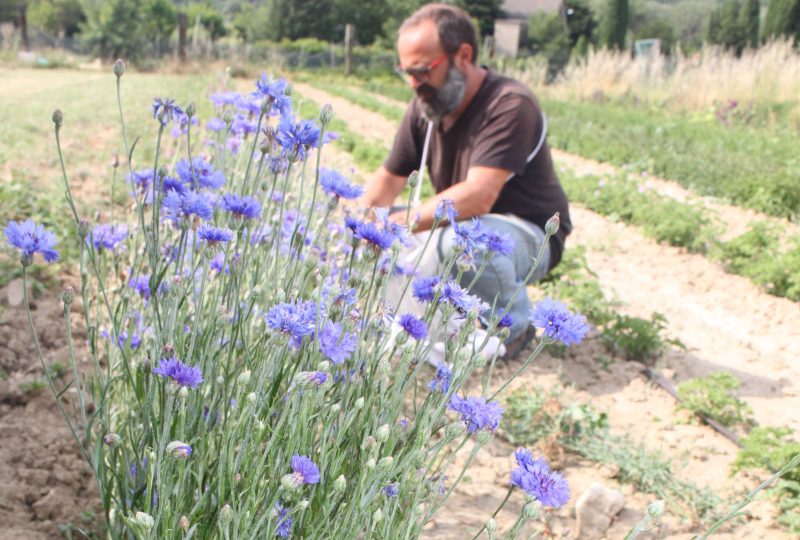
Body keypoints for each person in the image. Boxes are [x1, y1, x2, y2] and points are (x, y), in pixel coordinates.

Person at [361, 3, 572, 360]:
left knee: (456, 241)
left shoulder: (509, 104)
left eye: (423, 71)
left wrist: (394, 224)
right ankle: (434, 324)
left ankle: (511, 329)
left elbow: (478, 196)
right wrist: (361, 225)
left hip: (529, 235)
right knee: (404, 231)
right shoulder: (426, 107)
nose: (414, 84)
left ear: (463, 55)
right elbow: (388, 178)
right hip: (467, 226)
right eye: (406, 73)